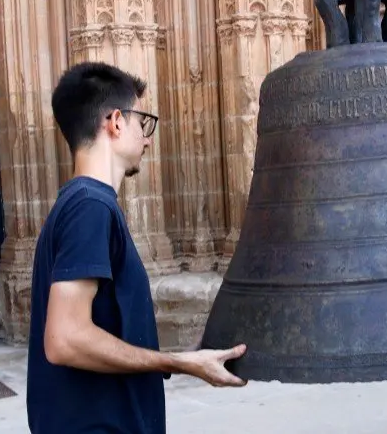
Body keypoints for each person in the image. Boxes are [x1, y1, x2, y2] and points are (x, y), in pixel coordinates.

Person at [27, 62, 247, 434]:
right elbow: (64, 339)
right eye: (141, 123)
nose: (147, 139)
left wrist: (181, 356)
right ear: (115, 121)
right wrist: (176, 362)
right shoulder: (90, 207)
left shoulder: (85, 203)